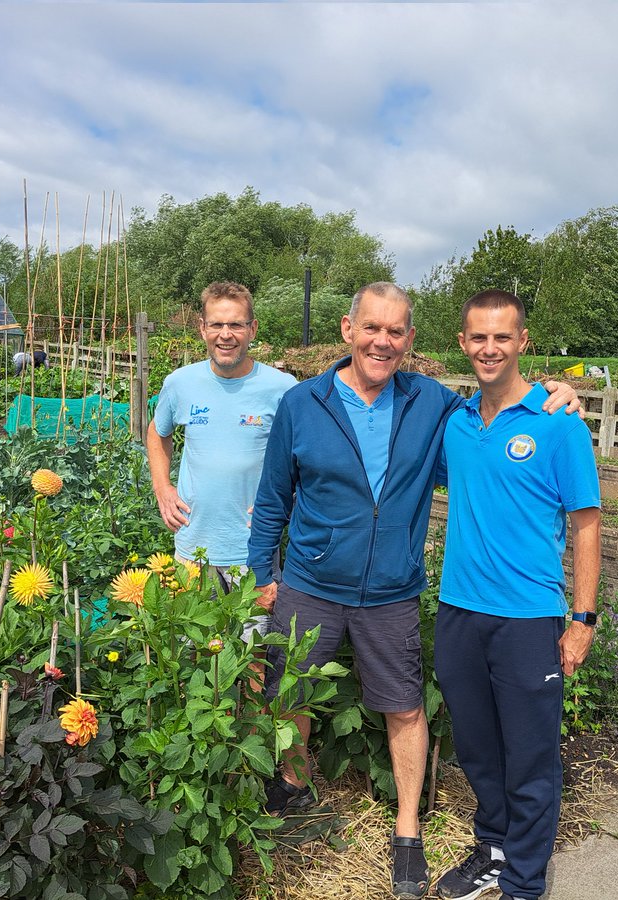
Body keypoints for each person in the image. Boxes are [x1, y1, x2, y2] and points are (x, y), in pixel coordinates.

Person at [247, 282, 581, 900]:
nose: (382, 341)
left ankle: (407, 831)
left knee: (403, 705)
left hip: (392, 591)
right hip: (310, 583)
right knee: (287, 691)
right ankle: (291, 786)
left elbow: (496, 431)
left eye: (396, 331)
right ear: (348, 330)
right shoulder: (303, 403)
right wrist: (260, 577)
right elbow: (272, 499)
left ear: (412, 340)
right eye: (371, 328)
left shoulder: (431, 405)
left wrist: (554, 396)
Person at [433, 289, 601, 900]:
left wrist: (581, 620)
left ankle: (524, 885)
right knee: (478, 750)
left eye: (502, 337)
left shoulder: (558, 426)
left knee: (530, 761)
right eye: (478, 337)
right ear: (462, 344)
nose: (489, 348)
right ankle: (495, 850)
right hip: (458, 613)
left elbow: (586, 525)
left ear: (522, 342)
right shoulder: (456, 423)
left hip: (528, 619)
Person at [147, 281, 296, 634]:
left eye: (236, 325)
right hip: (192, 547)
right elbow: (157, 432)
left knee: (253, 656)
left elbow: (304, 456)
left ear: (252, 329)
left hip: (254, 553)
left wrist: (290, 500)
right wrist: (162, 488)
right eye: (216, 324)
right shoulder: (181, 383)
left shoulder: (282, 388)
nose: (225, 335)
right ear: (202, 329)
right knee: (194, 653)